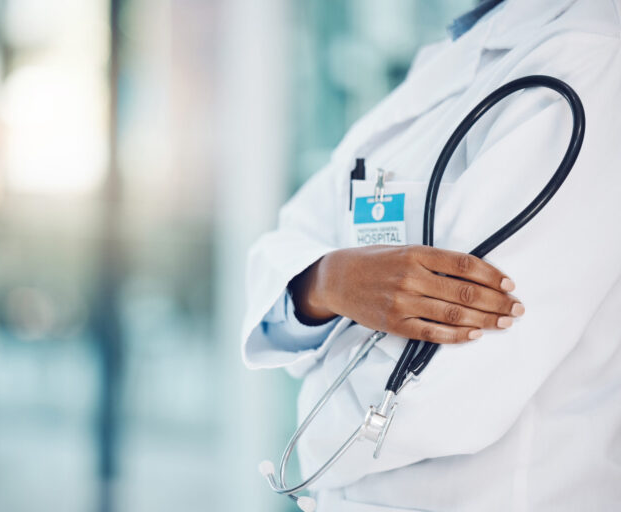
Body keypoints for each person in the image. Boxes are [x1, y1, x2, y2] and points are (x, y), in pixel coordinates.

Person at [242, 0, 621, 510]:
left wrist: (317, 417)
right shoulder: (456, 51)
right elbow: (287, 240)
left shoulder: (588, 63)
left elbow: (458, 385)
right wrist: (329, 280)